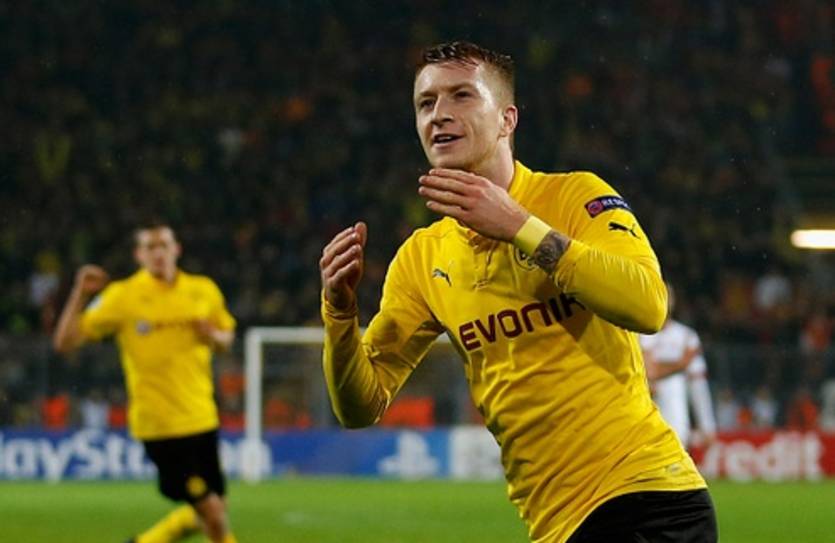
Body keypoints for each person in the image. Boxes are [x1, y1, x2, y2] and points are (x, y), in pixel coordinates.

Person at [319, 41, 717, 542]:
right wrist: (339, 313)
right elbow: (360, 407)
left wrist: (520, 227)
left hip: (645, 499)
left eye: (462, 95)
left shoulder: (575, 197)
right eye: (426, 103)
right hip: (557, 523)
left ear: (507, 119)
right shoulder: (422, 258)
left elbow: (648, 306)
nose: (439, 114)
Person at [53, 223, 238, 543]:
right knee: (212, 511)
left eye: (163, 245)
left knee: (212, 510)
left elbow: (227, 338)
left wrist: (213, 336)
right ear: (139, 255)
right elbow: (65, 342)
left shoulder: (203, 290)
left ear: (176, 249)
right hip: (159, 426)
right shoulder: (123, 296)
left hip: (202, 418)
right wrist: (80, 294)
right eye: (150, 247)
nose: (158, 253)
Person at [640, 283, 718, 450]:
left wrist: (707, 424)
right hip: (644, 407)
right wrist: (680, 364)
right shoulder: (640, 333)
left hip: (674, 408)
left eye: (668, 296)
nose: (666, 301)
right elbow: (649, 372)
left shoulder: (686, 336)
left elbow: (698, 384)